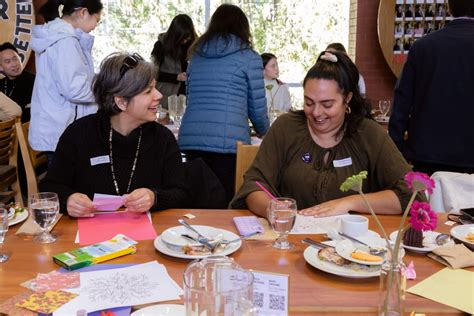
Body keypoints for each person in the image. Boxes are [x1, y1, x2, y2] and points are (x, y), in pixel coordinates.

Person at [231, 51, 419, 218]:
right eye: (309, 102)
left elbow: (414, 195)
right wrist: (274, 210)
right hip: (290, 242)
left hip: (353, 247)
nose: (316, 113)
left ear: (348, 99)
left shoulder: (369, 134)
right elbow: (253, 186)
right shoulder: (286, 128)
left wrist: (350, 203)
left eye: (327, 104)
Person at [40, 52, 189, 217]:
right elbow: (50, 187)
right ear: (121, 102)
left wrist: (154, 197)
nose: (159, 95)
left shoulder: (162, 138)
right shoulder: (79, 134)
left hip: (149, 235)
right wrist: (68, 200)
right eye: (148, 91)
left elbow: (180, 192)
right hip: (87, 237)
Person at [178, 4, 269, 205]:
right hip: (228, 145)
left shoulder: (196, 56)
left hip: (191, 139)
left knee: (197, 202)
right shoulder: (249, 57)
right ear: (243, 28)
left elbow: (191, 96)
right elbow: (257, 105)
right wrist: (265, 132)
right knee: (224, 205)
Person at [389, 0, 474, 175]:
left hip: (427, 156)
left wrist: (397, 148)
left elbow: (402, 101)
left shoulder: (423, 47)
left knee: (425, 202)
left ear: (449, 8)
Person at [29, 0, 103, 166]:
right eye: (97, 20)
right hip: (63, 127)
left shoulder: (57, 36)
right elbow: (75, 89)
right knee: (65, 186)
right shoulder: (65, 41)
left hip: (58, 124)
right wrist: (105, 89)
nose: (95, 26)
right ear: (83, 12)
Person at [150, 14, 197, 109]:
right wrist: (176, 77)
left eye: (188, 37)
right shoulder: (161, 46)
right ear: (175, 35)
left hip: (190, 98)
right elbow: (153, 73)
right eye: (183, 37)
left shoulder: (193, 45)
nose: (185, 40)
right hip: (168, 99)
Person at [0, 42, 35, 122]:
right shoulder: (1, 83)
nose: (14, 64)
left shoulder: (33, 80)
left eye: (15, 58)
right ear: (1, 67)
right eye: (8, 62)